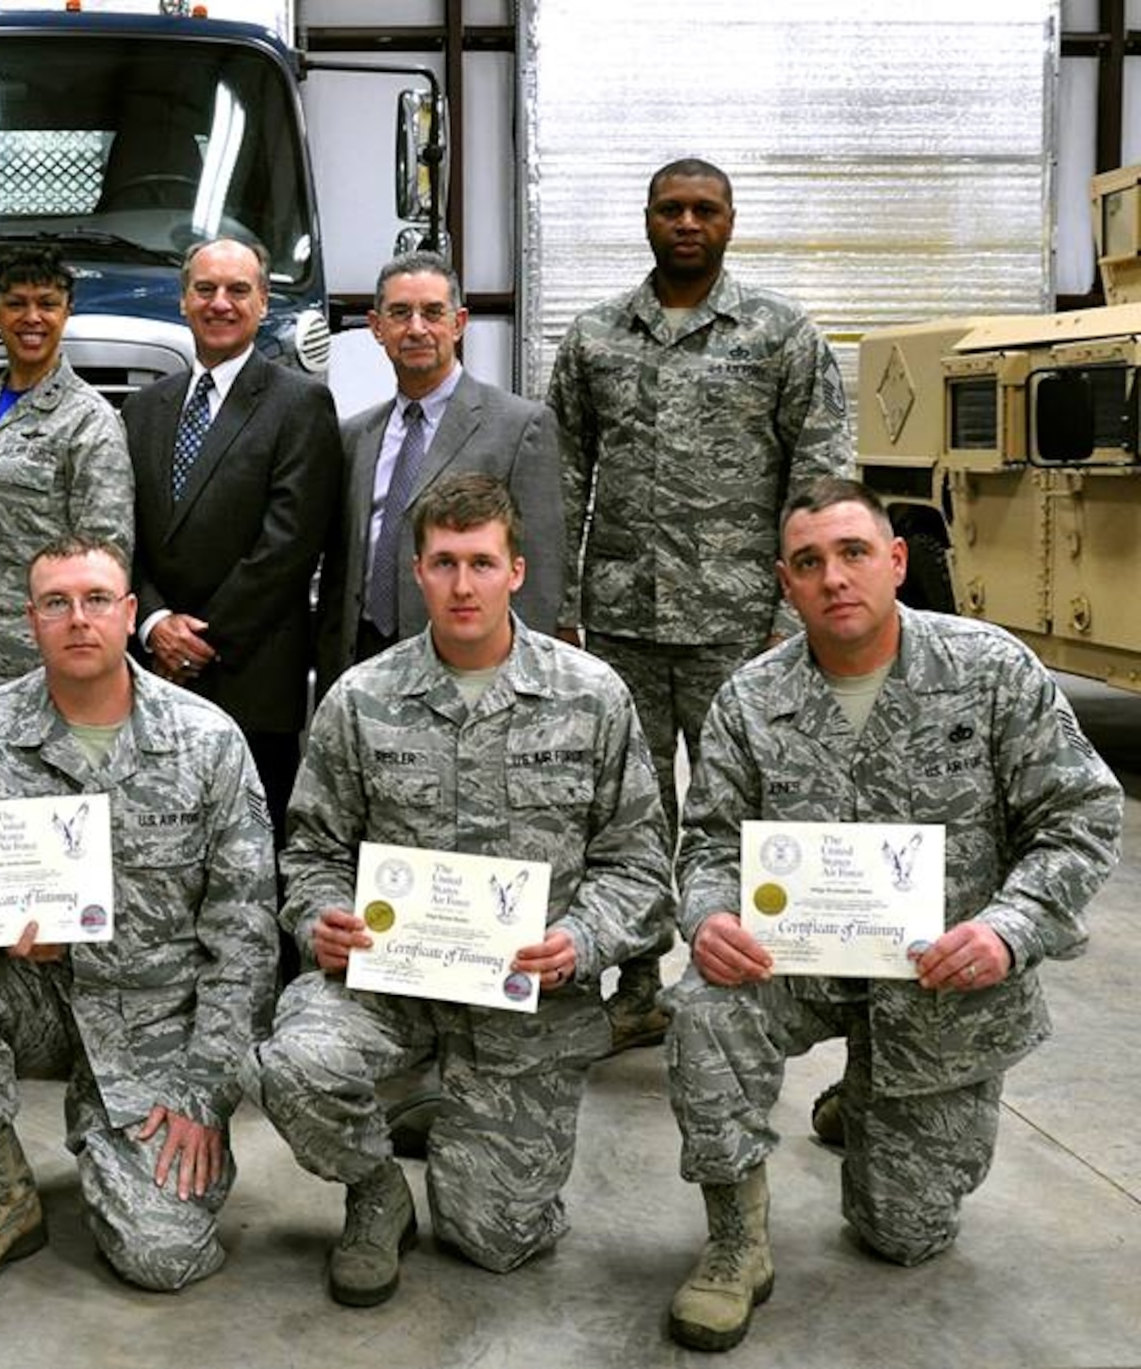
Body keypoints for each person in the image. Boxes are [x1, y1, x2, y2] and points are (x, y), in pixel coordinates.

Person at [661, 479, 1121, 1352]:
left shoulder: (990, 672)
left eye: (854, 553)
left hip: (939, 984)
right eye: (809, 563)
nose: (834, 577)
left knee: (903, 1236)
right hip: (793, 966)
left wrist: (1007, 929)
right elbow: (711, 841)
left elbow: (1082, 818)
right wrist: (710, 914)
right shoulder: (750, 699)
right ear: (785, 583)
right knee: (702, 1010)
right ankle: (735, 1241)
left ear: (897, 562)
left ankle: (866, 1097)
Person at [258, 474, 671, 1308]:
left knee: (495, 1240)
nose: (462, 584)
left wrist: (582, 942)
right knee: (292, 1063)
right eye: (444, 562)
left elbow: (640, 866)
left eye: (481, 562)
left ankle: (456, 1114)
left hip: (527, 1000)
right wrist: (318, 918)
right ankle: (376, 1188)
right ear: (416, 571)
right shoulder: (361, 698)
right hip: (391, 986)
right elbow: (312, 850)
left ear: (517, 569)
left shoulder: (591, 696)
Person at [0, 535, 276, 1296]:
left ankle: (117, 1147)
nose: (78, 619)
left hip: (155, 1017)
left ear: (130, 613)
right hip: (34, 995)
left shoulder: (205, 740)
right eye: (56, 603)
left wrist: (205, 1093)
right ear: (31, 619)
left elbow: (246, 933)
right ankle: (3, 1188)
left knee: (161, 1259)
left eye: (97, 599)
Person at [547, 158, 854, 1053]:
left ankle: (743, 978)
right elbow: (562, 478)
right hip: (621, 624)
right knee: (630, 808)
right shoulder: (597, 336)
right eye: (671, 208)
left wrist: (794, 616)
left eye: (705, 210)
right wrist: (562, 609)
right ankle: (636, 979)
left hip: (741, 626)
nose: (688, 222)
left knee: (743, 808)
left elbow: (820, 477)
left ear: (730, 220)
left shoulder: (779, 334)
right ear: (645, 217)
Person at [122, 237, 341, 833]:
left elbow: (290, 544)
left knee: (251, 848)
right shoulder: (142, 410)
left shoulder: (301, 403)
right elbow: (123, 532)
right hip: (151, 672)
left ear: (264, 304)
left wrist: (197, 643)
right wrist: (154, 624)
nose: (221, 303)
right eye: (206, 289)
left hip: (251, 677)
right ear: (183, 302)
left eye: (238, 290)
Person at [318, 250, 564, 691]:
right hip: (361, 661)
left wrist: (525, 683)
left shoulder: (520, 426)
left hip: (469, 662)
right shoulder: (352, 435)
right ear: (377, 328)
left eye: (433, 312)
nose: (416, 328)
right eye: (399, 313)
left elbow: (540, 576)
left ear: (459, 322)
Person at [0, 248, 133, 712]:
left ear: (67, 312)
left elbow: (106, 556)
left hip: (46, 670)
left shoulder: (88, 421)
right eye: (17, 303)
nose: (32, 317)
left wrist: (83, 666)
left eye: (47, 303)